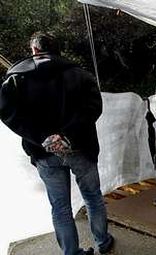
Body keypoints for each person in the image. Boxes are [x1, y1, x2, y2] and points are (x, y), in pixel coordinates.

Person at [0, 32, 114, 255]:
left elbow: (8, 114)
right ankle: (103, 241)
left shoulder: (15, 79)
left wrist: (44, 138)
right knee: (92, 197)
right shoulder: (80, 74)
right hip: (80, 148)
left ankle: (71, 252)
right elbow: (93, 108)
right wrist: (66, 136)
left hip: (44, 154)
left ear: (34, 51)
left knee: (60, 207)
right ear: (58, 49)